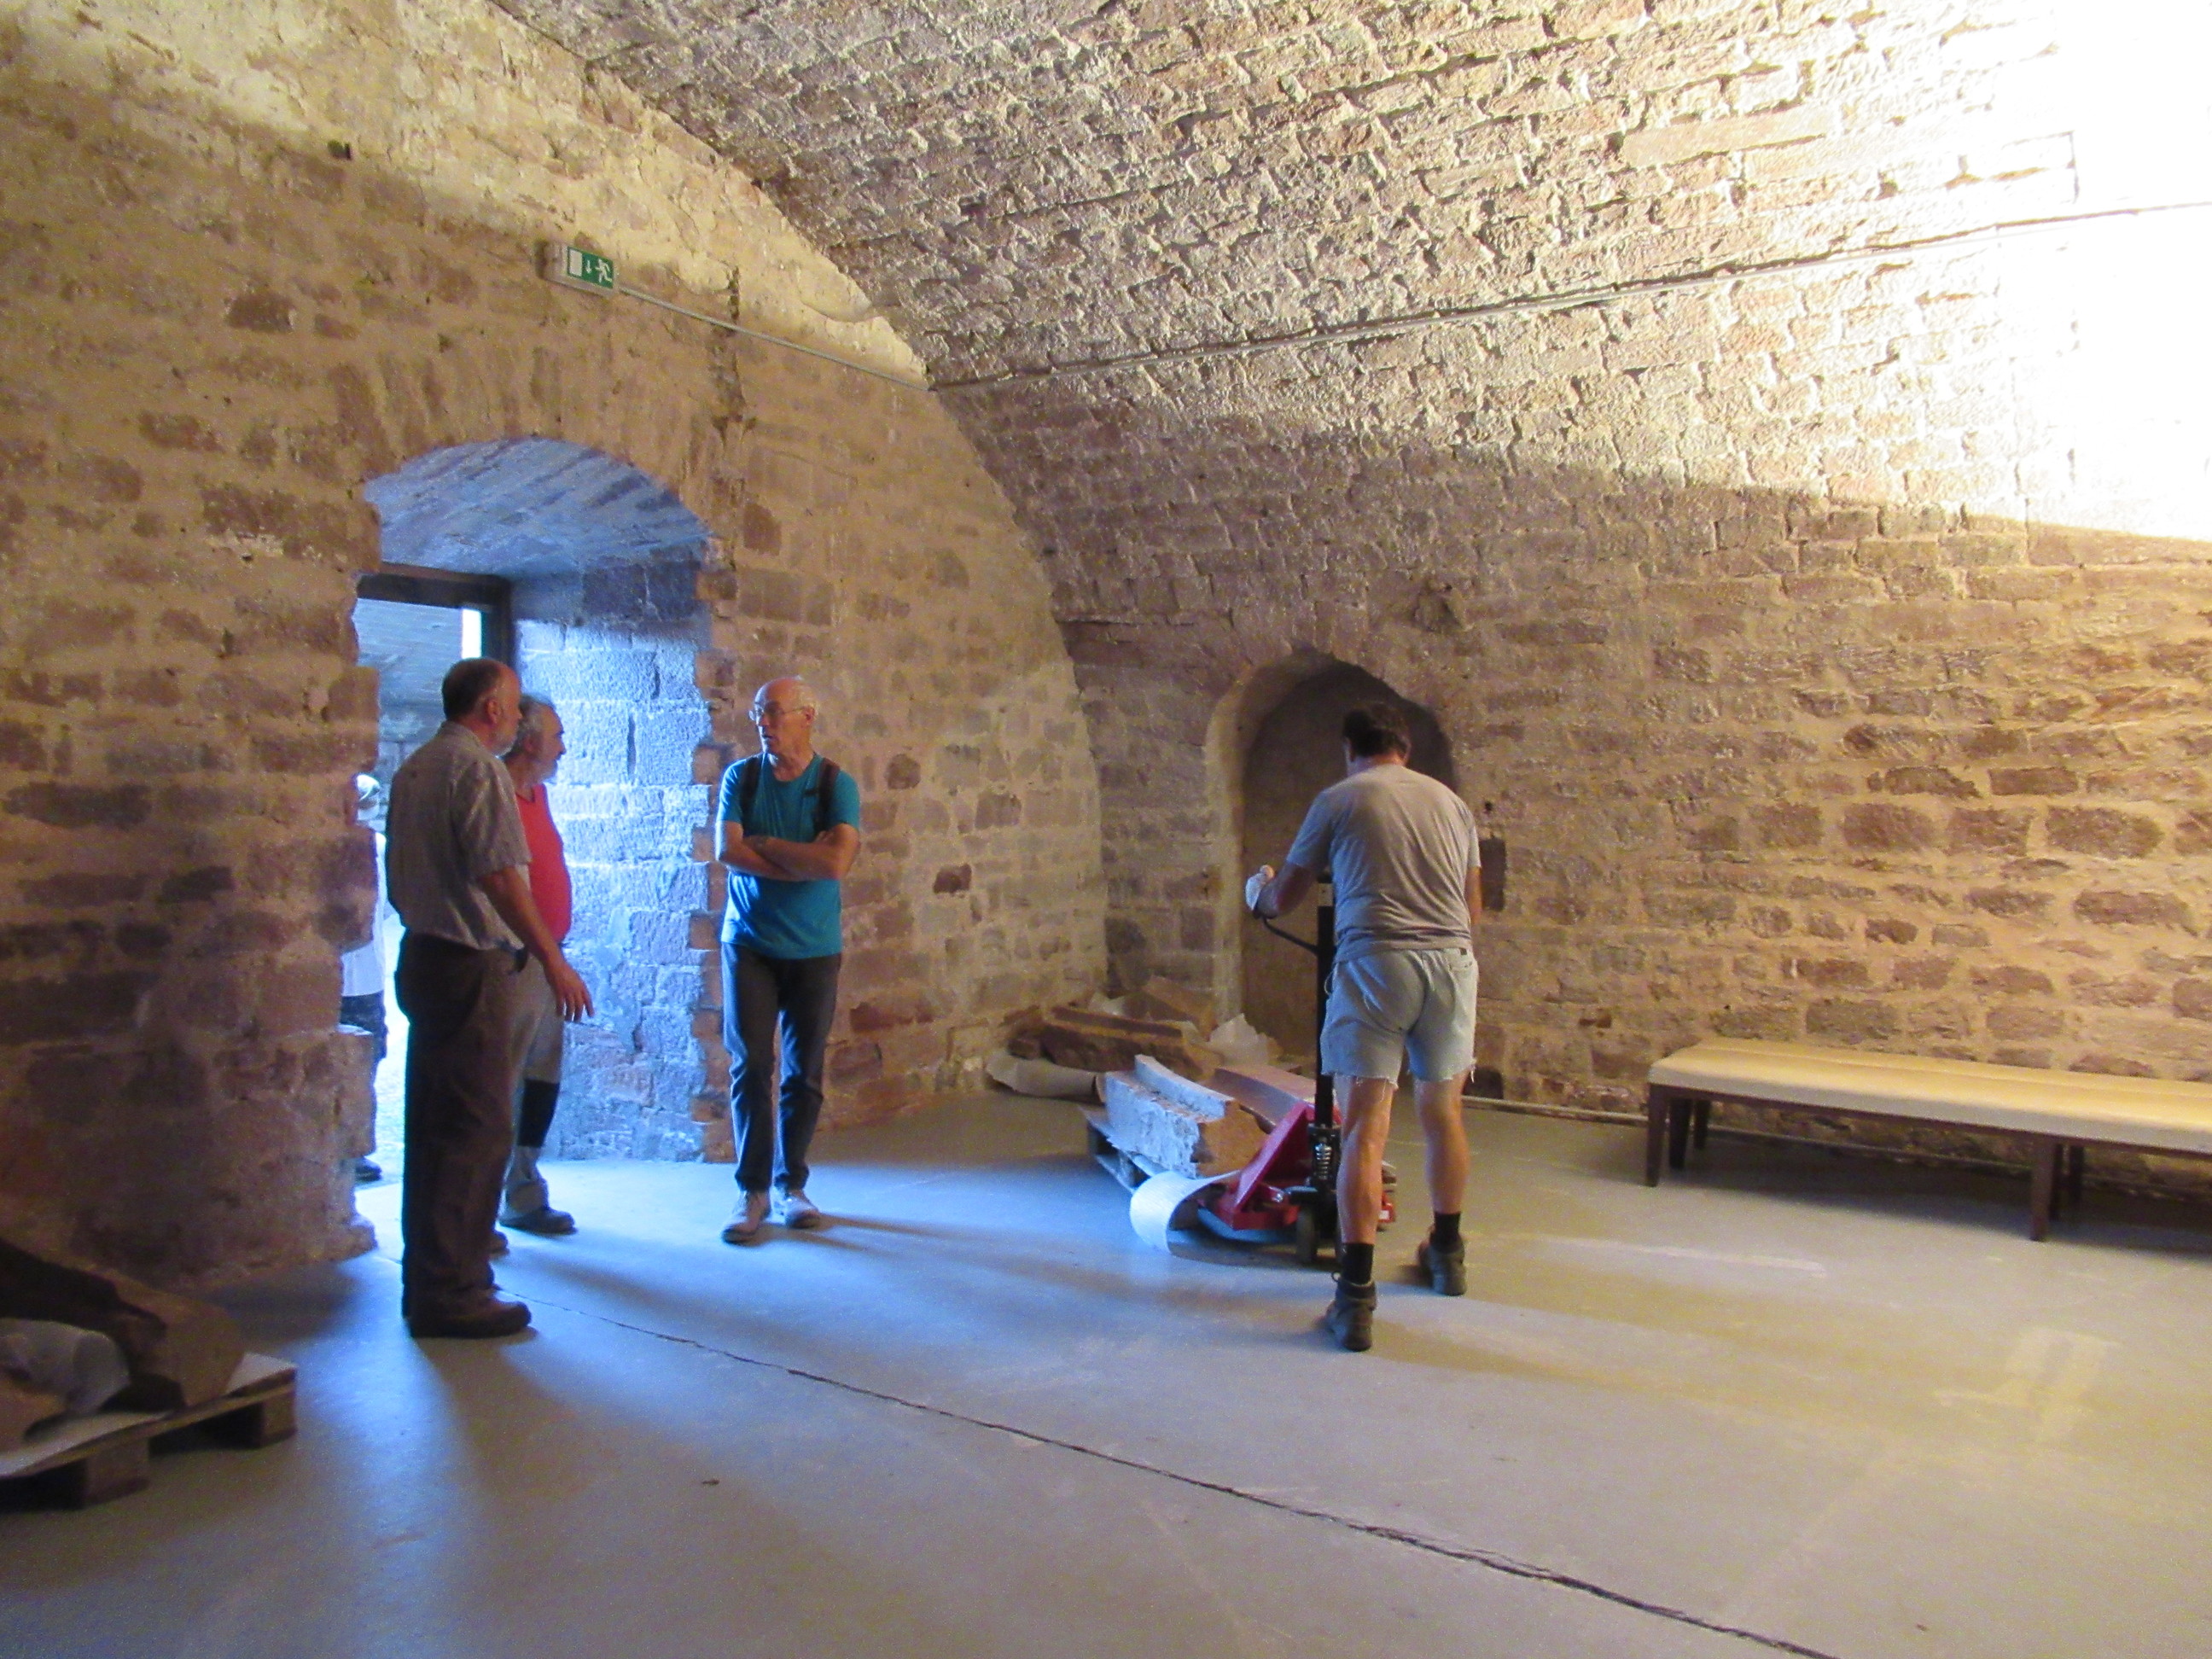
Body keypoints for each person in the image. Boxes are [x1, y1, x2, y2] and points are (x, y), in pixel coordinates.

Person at [1246, 701, 1481, 1353]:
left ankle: (1354, 1298)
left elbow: (1284, 898)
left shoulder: (1340, 798)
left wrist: (1258, 891)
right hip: (1451, 963)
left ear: (1351, 749)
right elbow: (1473, 908)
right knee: (1444, 1113)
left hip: (1376, 963)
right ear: (1405, 749)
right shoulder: (1453, 805)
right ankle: (1448, 1253)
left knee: (1365, 1129)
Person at [386, 659, 592, 1340]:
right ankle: (456, 1290)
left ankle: (432, 1279)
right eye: (511, 703)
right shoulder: (476, 770)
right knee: (475, 1127)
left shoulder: (418, 767)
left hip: (425, 953)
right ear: (493, 708)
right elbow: (503, 877)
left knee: (437, 1125)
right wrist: (552, 958)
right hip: (469, 961)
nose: (517, 715)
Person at [714, 677, 860, 1244]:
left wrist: (768, 845)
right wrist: (803, 860)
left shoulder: (834, 784)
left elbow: (835, 864)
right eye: (759, 712)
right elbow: (728, 850)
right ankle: (751, 1190)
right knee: (751, 1066)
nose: (764, 723)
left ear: (807, 716)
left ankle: (790, 1185)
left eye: (774, 712)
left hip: (814, 948)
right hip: (749, 942)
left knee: (804, 1073)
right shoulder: (742, 778)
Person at [500, 695, 578, 1236]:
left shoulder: (537, 795)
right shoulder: (496, 797)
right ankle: (486, 1202)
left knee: (540, 1078)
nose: (562, 748)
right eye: (557, 737)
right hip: (516, 958)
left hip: (549, 956)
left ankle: (524, 1191)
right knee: (503, 1081)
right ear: (529, 741)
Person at [338, 773, 388, 1184]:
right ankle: (350, 1149)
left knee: (362, 1060)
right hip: (361, 976)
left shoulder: (377, 847)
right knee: (362, 1062)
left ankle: (349, 1147)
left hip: (361, 975)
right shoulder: (378, 847)